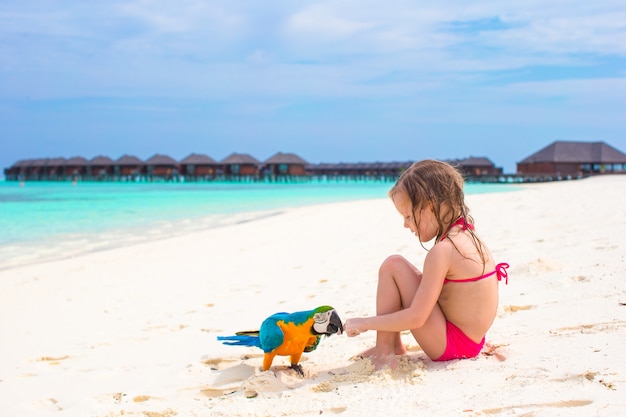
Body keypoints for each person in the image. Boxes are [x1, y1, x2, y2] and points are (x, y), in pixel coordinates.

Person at [343, 159, 508, 369]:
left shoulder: (444, 250)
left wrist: (364, 323)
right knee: (396, 266)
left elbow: (416, 318)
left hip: (453, 346)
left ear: (430, 206)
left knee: (392, 266)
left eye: (408, 216)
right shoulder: (467, 233)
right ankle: (391, 346)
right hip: (472, 340)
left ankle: (385, 351)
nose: (405, 224)